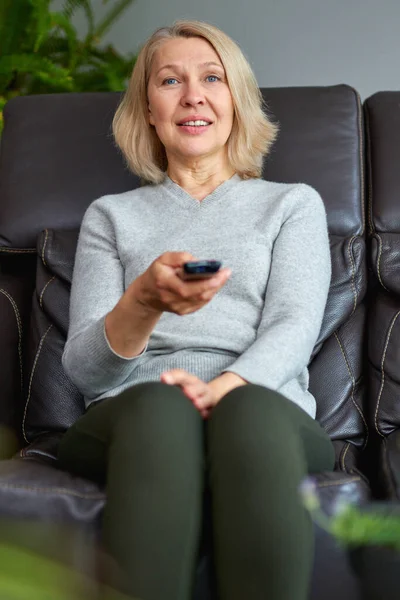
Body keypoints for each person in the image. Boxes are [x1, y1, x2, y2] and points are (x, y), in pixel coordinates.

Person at [58, 19, 335, 600]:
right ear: (148, 110)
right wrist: (145, 300)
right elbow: (84, 371)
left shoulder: (291, 205)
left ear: (236, 100)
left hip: (265, 406)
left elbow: (294, 323)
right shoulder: (111, 216)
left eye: (213, 78)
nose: (193, 95)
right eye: (169, 81)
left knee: (249, 413)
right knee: (161, 410)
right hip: (134, 408)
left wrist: (224, 387)